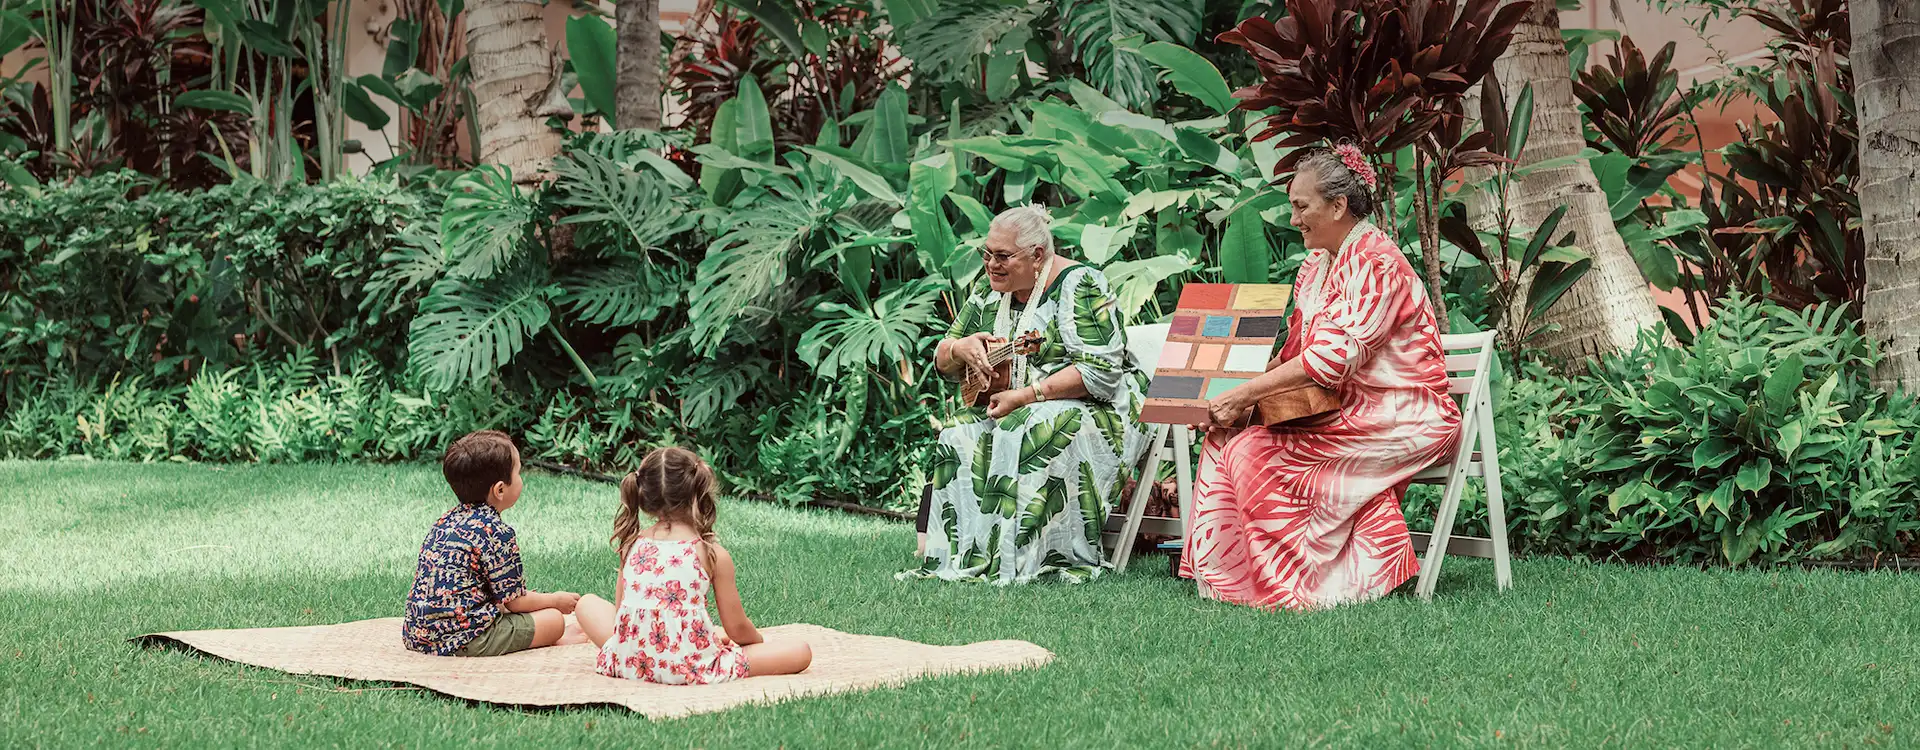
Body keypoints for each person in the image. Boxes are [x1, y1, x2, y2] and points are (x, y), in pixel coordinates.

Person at [1178, 145, 1462, 611]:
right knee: (1227, 435)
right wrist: (1229, 399)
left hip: (1406, 416)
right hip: (1347, 411)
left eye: (1301, 206)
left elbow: (1332, 359)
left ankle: (1294, 588)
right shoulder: (1318, 265)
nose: (1293, 218)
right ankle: (1233, 582)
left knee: (1254, 453)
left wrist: (1244, 393)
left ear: (1337, 205)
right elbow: (1296, 354)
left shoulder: (1376, 260)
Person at [903, 204, 1151, 584]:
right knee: (958, 432)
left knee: (1033, 425)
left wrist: (1028, 395)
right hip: (1016, 404)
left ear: (1037, 256)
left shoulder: (1079, 284)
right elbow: (942, 357)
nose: (991, 264)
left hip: (1100, 409)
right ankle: (971, 551)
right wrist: (959, 348)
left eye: (1002, 256)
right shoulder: (989, 293)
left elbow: (1100, 372)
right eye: (986, 254)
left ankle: (1033, 555)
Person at [575, 447, 811, 684]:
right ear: (699, 492)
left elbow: (621, 616)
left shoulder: (631, 544)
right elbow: (738, 629)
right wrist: (757, 644)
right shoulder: (711, 553)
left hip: (630, 663)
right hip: (689, 667)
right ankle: (699, 639)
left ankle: (676, 643)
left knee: (586, 603)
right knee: (800, 651)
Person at [402, 430, 583, 656]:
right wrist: (555, 600)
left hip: (418, 636)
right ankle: (553, 639)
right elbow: (515, 602)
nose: (522, 479)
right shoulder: (496, 531)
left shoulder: (444, 522)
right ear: (500, 489)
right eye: (518, 472)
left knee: (527, 615)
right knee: (554, 620)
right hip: (467, 640)